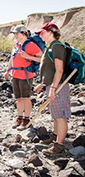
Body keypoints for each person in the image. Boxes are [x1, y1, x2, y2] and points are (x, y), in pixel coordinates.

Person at [33, 22, 70, 155]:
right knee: (55, 115)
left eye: (42, 32)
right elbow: (50, 70)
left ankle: (59, 146)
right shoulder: (51, 47)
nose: (40, 35)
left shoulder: (57, 47)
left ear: (51, 32)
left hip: (58, 85)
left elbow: (59, 70)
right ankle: (55, 137)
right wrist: (43, 84)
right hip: (52, 85)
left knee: (60, 116)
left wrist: (53, 88)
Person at [5, 25, 43, 130]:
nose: (15, 36)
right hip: (15, 74)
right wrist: (8, 71)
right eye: (14, 34)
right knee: (18, 98)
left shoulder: (30, 45)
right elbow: (12, 58)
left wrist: (28, 57)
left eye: (18, 33)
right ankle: (19, 117)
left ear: (24, 33)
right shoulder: (16, 45)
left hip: (25, 75)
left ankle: (26, 119)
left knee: (26, 98)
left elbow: (42, 58)